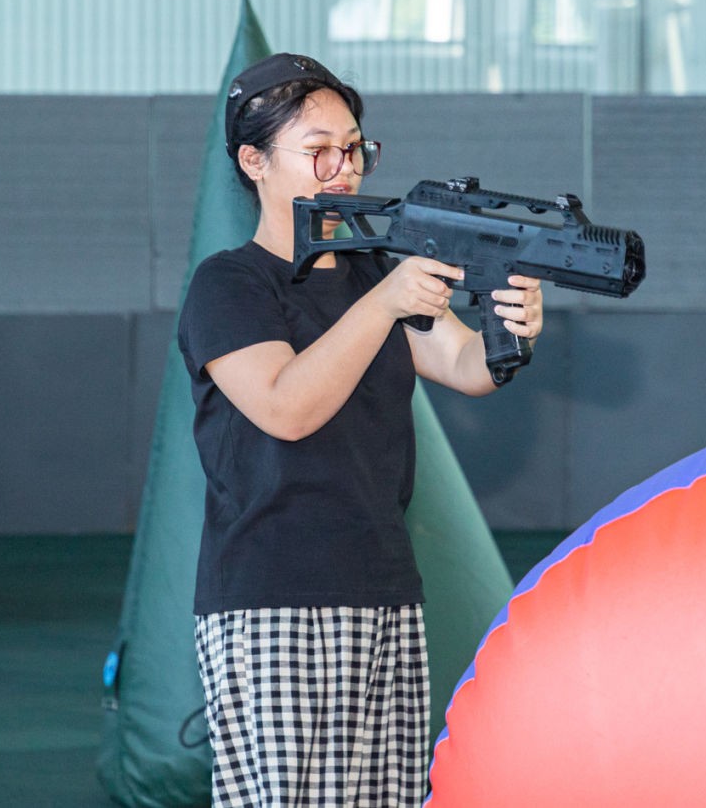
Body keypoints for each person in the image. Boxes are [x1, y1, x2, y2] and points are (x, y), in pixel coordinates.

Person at [177, 54, 544, 807]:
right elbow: (285, 407)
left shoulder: (371, 272)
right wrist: (383, 303)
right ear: (254, 161)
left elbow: (467, 364)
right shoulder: (230, 283)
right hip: (274, 597)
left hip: (382, 587)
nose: (343, 169)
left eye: (354, 149)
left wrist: (512, 328)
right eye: (318, 151)